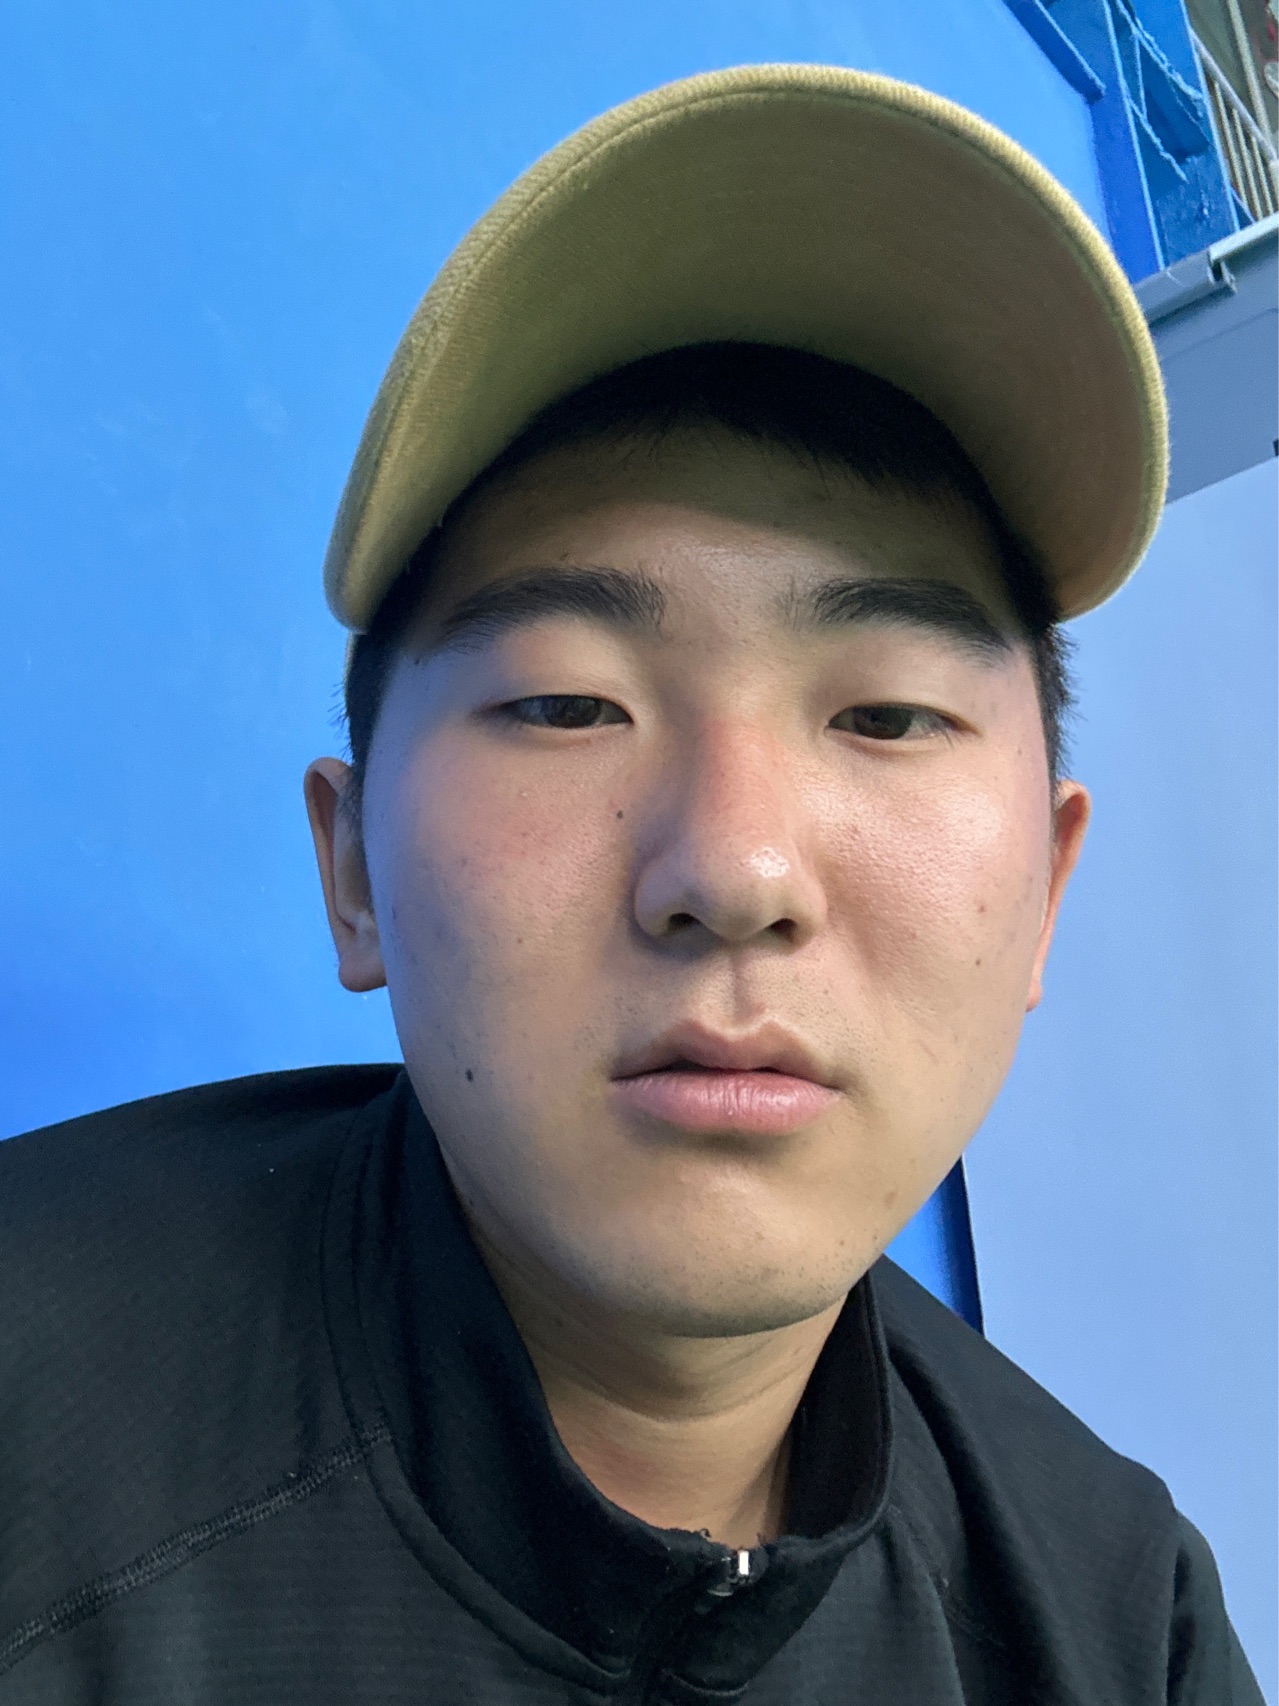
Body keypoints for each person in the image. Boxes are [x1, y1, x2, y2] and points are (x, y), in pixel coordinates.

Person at [0, 64, 1262, 1705]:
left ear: (1047, 890)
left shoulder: (1121, 1621)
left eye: (886, 714)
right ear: (352, 869)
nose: (734, 869)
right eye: (565, 703)